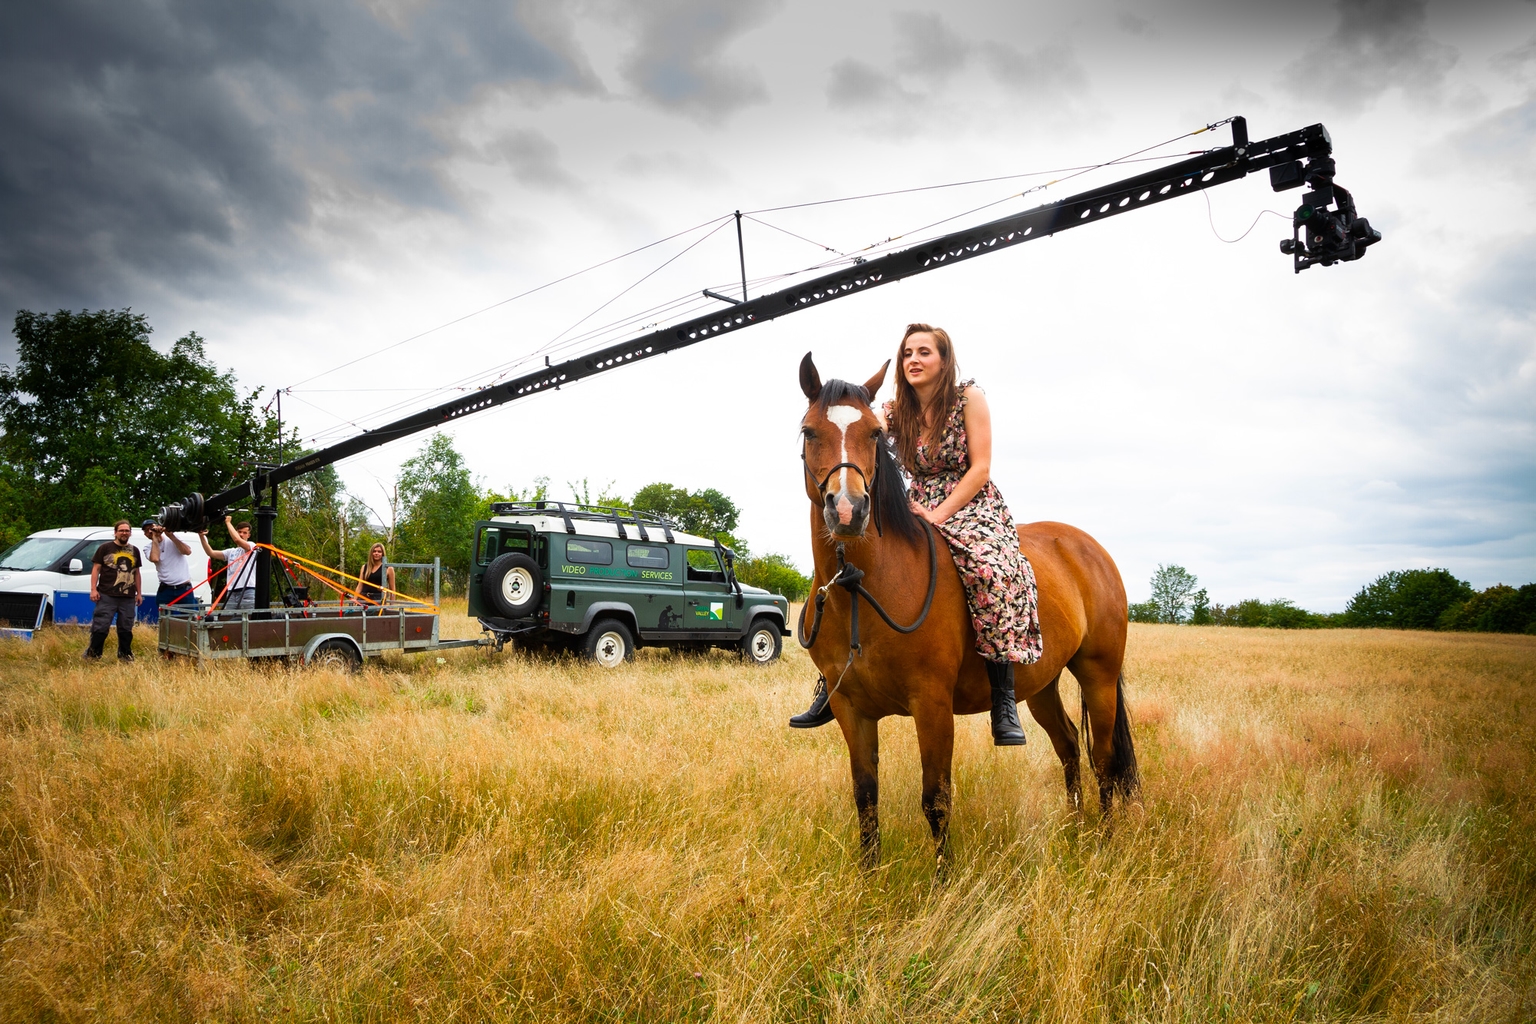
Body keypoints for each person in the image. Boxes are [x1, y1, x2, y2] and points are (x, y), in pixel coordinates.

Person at [791, 323, 1043, 745]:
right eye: (907, 353)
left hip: (970, 503)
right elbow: (855, 434)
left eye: (924, 352)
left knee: (991, 570)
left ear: (944, 360)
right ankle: (832, 679)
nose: (913, 360)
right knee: (839, 574)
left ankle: (1003, 694)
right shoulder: (891, 410)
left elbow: (981, 468)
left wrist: (939, 514)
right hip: (913, 503)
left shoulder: (969, 399)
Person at [84, 519, 143, 661]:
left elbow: (136, 572)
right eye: (121, 530)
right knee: (100, 627)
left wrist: (139, 593)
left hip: (128, 596)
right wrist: (93, 589)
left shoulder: (134, 550)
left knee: (126, 628)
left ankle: (125, 655)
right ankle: (93, 655)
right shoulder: (105, 548)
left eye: (127, 530)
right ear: (115, 532)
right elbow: (96, 569)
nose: (124, 533)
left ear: (130, 533)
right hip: (106, 595)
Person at [199, 515, 258, 610]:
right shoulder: (231, 551)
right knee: (229, 619)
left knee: (246, 620)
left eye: (244, 533)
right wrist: (201, 537)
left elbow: (236, 539)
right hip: (231, 591)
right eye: (239, 532)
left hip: (247, 590)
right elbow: (211, 553)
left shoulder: (251, 546)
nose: (241, 535)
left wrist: (228, 522)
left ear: (248, 535)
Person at [145, 519, 196, 612]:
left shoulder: (172, 538)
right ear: (145, 535)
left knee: (189, 618)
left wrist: (171, 535)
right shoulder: (148, 547)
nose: (149, 531)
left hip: (183, 587)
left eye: (151, 528)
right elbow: (155, 558)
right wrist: (155, 539)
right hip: (165, 589)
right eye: (146, 530)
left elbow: (187, 551)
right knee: (164, 619)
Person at [357, 542, 396, 608]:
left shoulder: (389, 568)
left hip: (378, 600)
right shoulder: (364, 567)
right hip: (363, 600)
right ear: (371, 553)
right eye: (374, 551)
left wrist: (391, 606)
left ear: (382, 553)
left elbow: (392, 589)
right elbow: (359, 586)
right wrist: (354, 601)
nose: (376, 553)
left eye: (379, 551)